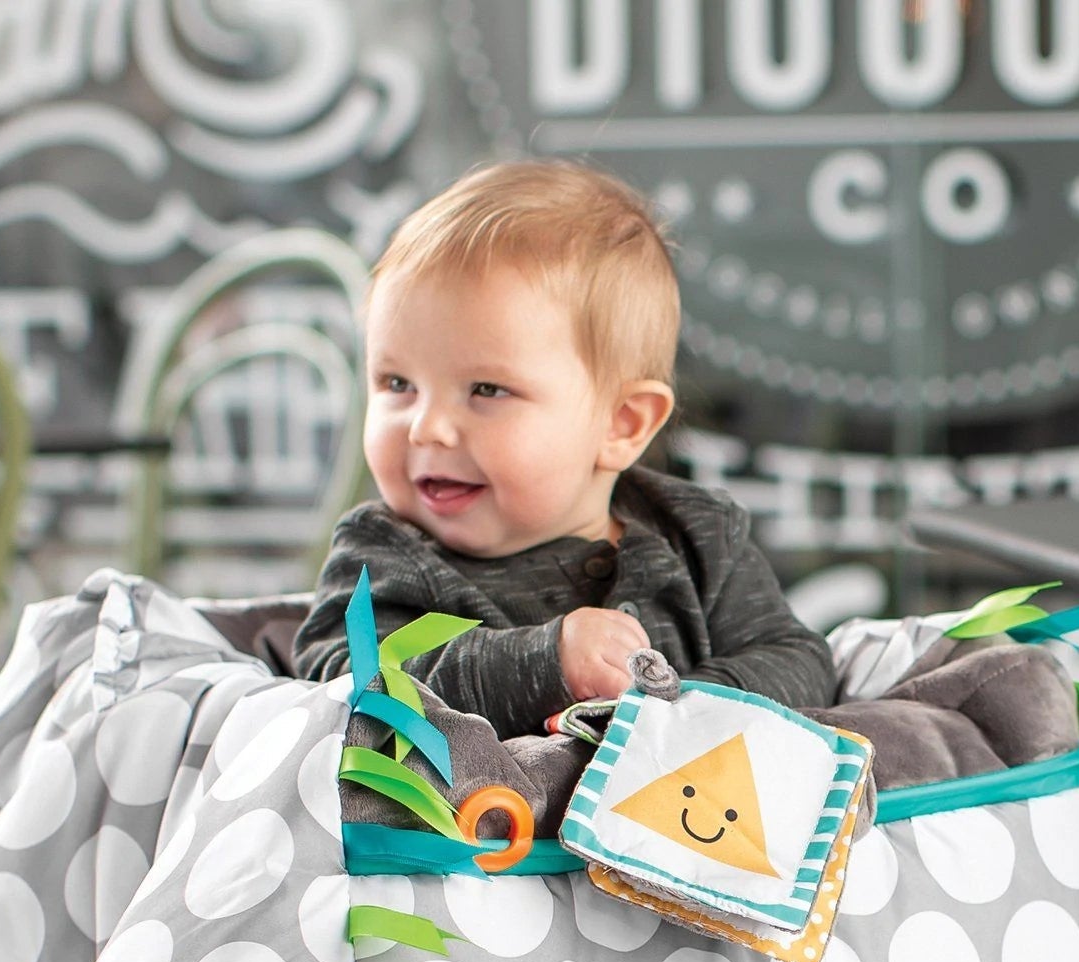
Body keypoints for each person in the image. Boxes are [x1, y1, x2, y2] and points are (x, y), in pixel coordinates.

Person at [290, 160, 837, 740]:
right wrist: (545, 662)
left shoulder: (699, 536)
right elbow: (343, 685)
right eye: (398, 384)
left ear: (620, 424)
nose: (427, 429)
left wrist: (681, 709)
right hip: (495, 828)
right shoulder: (384, 554)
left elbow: (799, 659)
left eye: (486, 390)